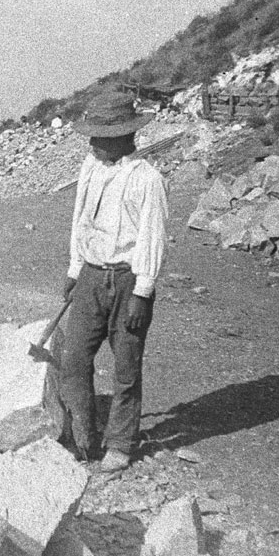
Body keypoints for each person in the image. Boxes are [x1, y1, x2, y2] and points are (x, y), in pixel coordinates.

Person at [55, 91, 170, 474]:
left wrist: (143, 292)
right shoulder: (91, 168)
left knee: (126, 368)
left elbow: (153, 238)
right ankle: (84, 438)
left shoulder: (147, 179)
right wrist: (75, 271)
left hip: (127, 281)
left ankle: (120, 443)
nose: (92, 144)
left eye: (99, 137)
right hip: (90, 275)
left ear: (122, 137)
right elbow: (80, 221)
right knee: (73, 360)